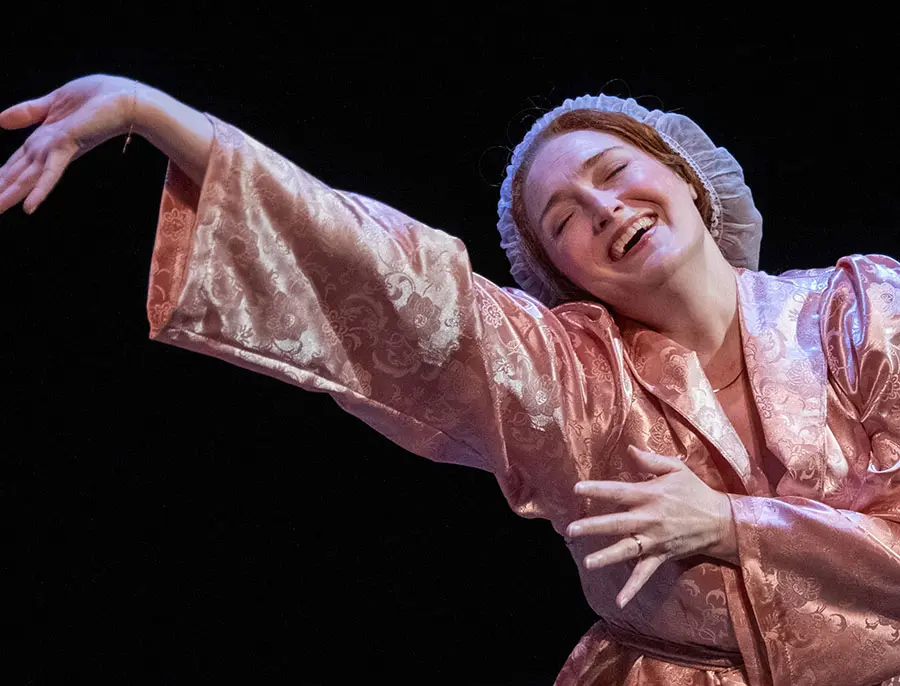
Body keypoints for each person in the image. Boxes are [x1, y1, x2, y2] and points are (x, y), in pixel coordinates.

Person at [1, 74, 898, 686]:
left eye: (615, 172)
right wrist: (159, 116)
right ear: (561, 276)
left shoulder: (864, 309)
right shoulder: (576, 375)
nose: (603, 209)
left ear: (686, 178)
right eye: (564, 219)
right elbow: (394, 277)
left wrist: (735, 526)